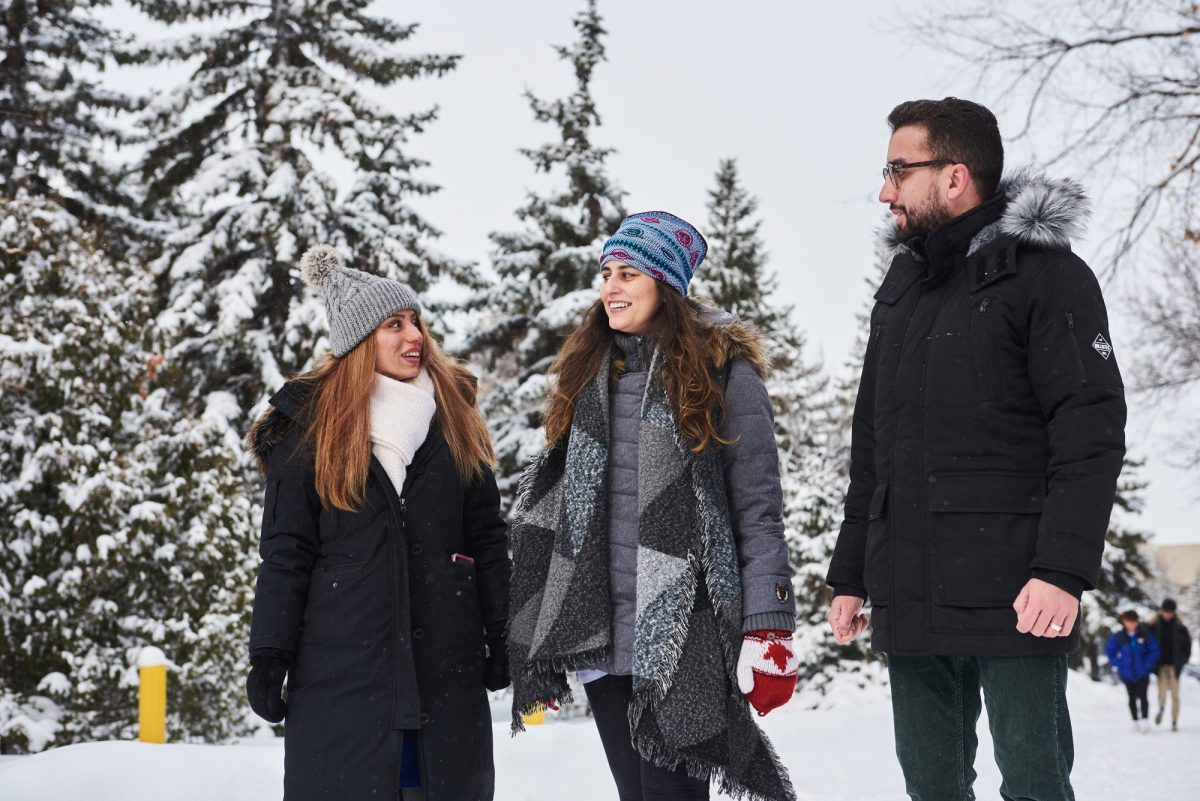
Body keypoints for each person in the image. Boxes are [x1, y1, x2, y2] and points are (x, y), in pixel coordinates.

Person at [826, 98, 1126, 801]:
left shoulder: (1048, 275)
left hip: (1017, 590)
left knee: (1034, 780)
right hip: (910, 586)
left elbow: (1090, 426)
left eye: (899, 170)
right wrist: (851, 573)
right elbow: (872, 444)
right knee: (930, 784)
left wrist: (1062, 568)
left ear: (955, 176)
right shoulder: (900, 289)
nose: (884, 190)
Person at [508, 212, 798, 801]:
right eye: (606, 273)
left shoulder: (723, 375)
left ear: (664, 285)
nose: (610, 287)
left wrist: (769, 622)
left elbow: (758, 508)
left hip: (682, 634)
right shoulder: (588, 376)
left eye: (628, 274)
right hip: (601, 631)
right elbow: (563, 509)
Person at [244, 245, 511, 801]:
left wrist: (502, 632)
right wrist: (270, 654)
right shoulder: (309, 433)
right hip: (342, 679)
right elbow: (287, 553)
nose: (414, 336)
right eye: (394, 325)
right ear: (359, 341)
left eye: (415, 322)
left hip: (445, 672)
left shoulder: (456, 420)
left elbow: (487, 538)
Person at [1105, 611, 1161, 732]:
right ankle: (1134, 721)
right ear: (1124, 622)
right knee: (1131, 697)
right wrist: (1120, 665)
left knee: (1143, 696)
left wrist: (1147, 665)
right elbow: (1110, 652)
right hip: (1127, 674)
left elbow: (1154, 651)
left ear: (1137, 621)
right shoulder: (1119, 636)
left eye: (1133, 621)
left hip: (1143, 673)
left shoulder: (1145, 634)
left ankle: (1145, 721)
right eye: (1128, 622)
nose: (1131, 624)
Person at [1148, 597, 1192, 731]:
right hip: (1160, 666)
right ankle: (1161, 709)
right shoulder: (1152, 626)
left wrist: (1182, 662)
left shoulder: (1181, 628)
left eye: (1170, 612)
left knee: (1175, 695)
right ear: (1161, 611)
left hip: (1175, 666)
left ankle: (1174, 722)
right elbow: (1147, 645)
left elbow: (1187, 648)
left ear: (1174, 612)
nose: (1167, 614)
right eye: (1165, 611)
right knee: (1161, 692)